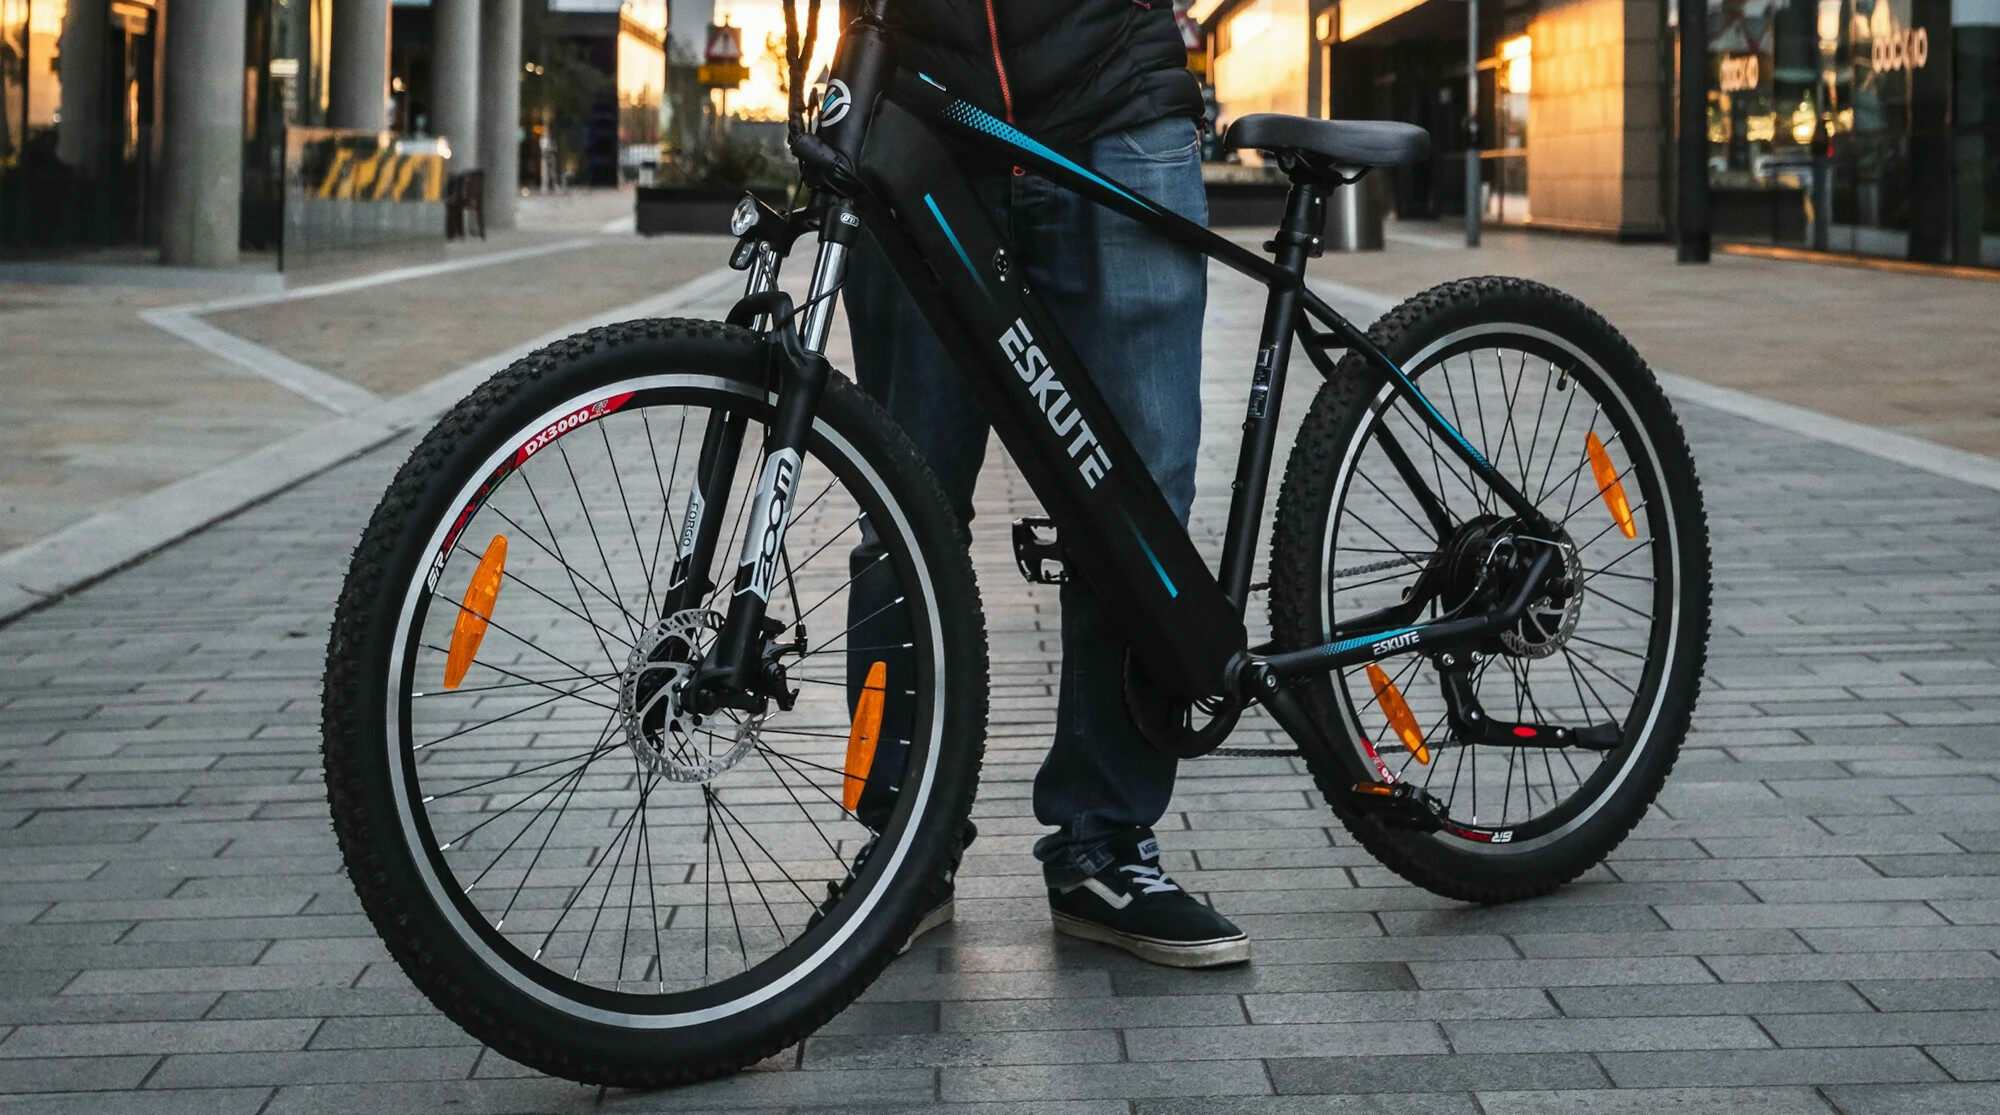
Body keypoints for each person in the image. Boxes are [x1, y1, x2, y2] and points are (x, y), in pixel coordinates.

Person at [840, 0, 1248, 968]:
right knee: (900, 499)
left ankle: (1103, 840)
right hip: (922, 112)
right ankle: (905, 840)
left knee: (1134, 505)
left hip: (1116, 105)